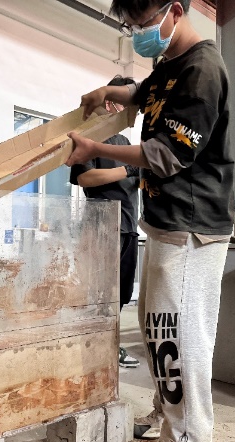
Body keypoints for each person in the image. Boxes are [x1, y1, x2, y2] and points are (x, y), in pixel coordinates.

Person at [65, 1, 234, 442]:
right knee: (158, 329)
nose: (137, 33)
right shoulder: (169, 64)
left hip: (192, 225)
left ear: (174, 11)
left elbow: (166, 154)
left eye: (141, 24)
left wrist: (95, 148)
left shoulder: (203, 70)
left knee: (180, 333)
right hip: (165, 220)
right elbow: (146, 93)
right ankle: (170, 419)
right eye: (130, 25)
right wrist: (111, 92)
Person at [70, 75, 141, 369]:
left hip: (128, 226)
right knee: (98, 293)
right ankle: (91, 347)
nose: (132, 114)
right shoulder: (90, 136)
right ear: (112, 103)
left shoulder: (124, 142)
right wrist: (128, 171)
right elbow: (85, 178)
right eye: (128, 105)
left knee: (121, 293)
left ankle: (110, 344)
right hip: (101, 228)